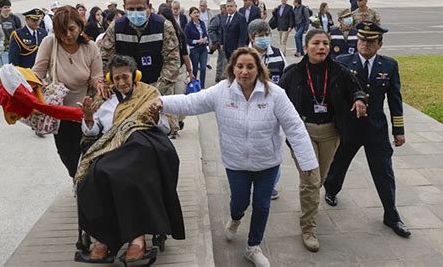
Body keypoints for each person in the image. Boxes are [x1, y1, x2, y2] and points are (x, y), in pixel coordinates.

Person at [148, 47, 318, 267]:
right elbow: (192, 102)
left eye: (250, 66)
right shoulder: (222, 91)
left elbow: (295, 126)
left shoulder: (275, 94)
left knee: (262, 205)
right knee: (239, 202)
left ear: (258, 69)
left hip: (267, 163)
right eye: (240, 66)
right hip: (236, 163)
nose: (244, 72)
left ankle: (253, 247)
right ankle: (236, 218)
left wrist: (307, 161)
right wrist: (163, 102)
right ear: (232, 68)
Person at [75, 55, 185, 263]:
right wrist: (89, 119)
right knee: (92, 176)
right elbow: (92, 132)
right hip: (110, 149)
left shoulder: (150, 93)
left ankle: (137, 239)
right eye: (116, 79)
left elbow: (166, 126)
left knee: (128, 175)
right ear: (111, 79)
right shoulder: (104, 99)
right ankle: (102, 239)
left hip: (141, 146)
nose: (121, 82)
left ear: (135, 76)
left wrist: (155, 118)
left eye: (125, 77)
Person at [279, 28, 367, 252]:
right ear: (306, 47)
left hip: (330, 132)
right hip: (302, 134)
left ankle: (309, 203)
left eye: (325, 44)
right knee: (311, 180)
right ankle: (308, 227)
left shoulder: (340, 71)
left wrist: (359, 100)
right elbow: (277, 99)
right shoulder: (293, 73)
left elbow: (356, 90)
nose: (321, 48)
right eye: (316, 43)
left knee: (319, 178)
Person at [324, 21, 411, 239]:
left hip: (376, 129)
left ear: (379, 44)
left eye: (371, 41)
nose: (365, 45)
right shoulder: (343, 62)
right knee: (340, 161)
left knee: (384, 171)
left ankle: (391, 214)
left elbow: (395, 99)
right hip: (349, 127)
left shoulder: (389, 65)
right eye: (362, 40)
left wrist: (398, 130)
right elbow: (333, 96)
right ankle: (331, 189)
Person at [32, 5, 105, 178]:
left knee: (91, 154)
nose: (68, 35)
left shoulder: (91, 48)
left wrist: (100, 85)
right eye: (61, 31)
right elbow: (37, 74)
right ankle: (78, 181)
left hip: (86, 112)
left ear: (80, 25)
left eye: (72, 29)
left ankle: (87, 186)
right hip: (61, 113)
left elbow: (96, 77)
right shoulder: (50, 43)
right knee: (68, 156)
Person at [100, 0, 180, 96]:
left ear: (149, 7)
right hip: (124, 88)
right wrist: (115, 84)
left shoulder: (163, 26)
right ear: (124, 8)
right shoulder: (115, 28)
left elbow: (172, 61)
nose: (136, 13)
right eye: (131, 9)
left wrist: (155, 91)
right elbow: (105, 59)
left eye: (140, 9)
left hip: (157, 87)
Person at [248, 19, 288, 200]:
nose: (264, 39)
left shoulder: (278, 54)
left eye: (266, 35)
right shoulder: (244, 56)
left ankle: (270, 184)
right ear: (252, 37)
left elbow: (287, 78)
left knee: (273, 147)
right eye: (260, 36)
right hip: (250, 110)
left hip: (273, 111)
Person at [158, 4, 193, 137]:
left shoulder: (179, 33)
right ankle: (173, 127)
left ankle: (179, 120)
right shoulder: (157, 33)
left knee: (180, 95)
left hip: (180, 69)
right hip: (165, 71)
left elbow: (185, 54)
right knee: (168, 98)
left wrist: (190, 71)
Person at [184, 7, 208, 89]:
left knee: (203, 68)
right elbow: (187, 39)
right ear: (190, 15)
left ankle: (202, 87)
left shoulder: (202, 23)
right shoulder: (188, 26)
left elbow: (205, 33)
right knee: (194, 69)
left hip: (203, 48)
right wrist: (197, 41)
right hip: (194, 49)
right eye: (194, 13)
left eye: (197, 12)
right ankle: (193, 86)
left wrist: (205, 39)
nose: (196, 14)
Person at [0, 0, 22, 64]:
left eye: (9, 7)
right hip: (2, 47)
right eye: (5, 7)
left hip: (14, 46)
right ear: (0, 8)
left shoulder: (15, 18)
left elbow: (20, 31)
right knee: (5, 66)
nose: (8, 9)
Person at [208, 4, 227, 82]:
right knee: (224, 61)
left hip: (226, 43)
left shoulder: (227, 17)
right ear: (221, 9)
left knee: (221, 60)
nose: (227, 9)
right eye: (225, 7)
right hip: (220, 43)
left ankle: (219, 77)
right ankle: (222, 78)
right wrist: (216, 41)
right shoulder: (217, 18)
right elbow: (211, 30)